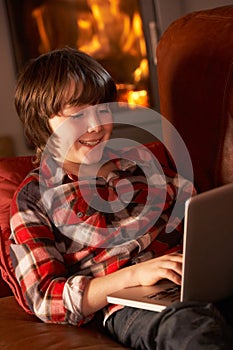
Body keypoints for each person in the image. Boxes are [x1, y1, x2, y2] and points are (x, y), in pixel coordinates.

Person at [10, 47, 232, 349]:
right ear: (41, 121)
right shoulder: (33, 199)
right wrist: (134, 275)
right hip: (129, 306)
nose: (95, 126)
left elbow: (198, 219)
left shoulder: (141, 163)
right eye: (77, 114)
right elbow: (46, 299)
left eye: (102, 110)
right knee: (189, 330)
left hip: (184, 282)